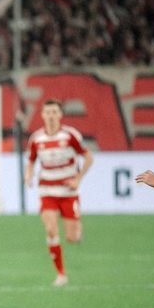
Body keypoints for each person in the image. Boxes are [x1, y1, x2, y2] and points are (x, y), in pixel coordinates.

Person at [24, 99, 94, 287]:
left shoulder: (70, 135)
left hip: (68, 191)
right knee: (50, 229)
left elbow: (88, 157)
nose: (51, 115)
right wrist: (28, 175)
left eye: (55, 112)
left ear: (60, 115)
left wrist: (78, 179)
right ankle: (61, 274)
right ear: (43, 115)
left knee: (72, 238)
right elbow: (31, 161)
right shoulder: (37, 139)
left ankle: (77, 233)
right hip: (47, 190)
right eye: (48, 112)